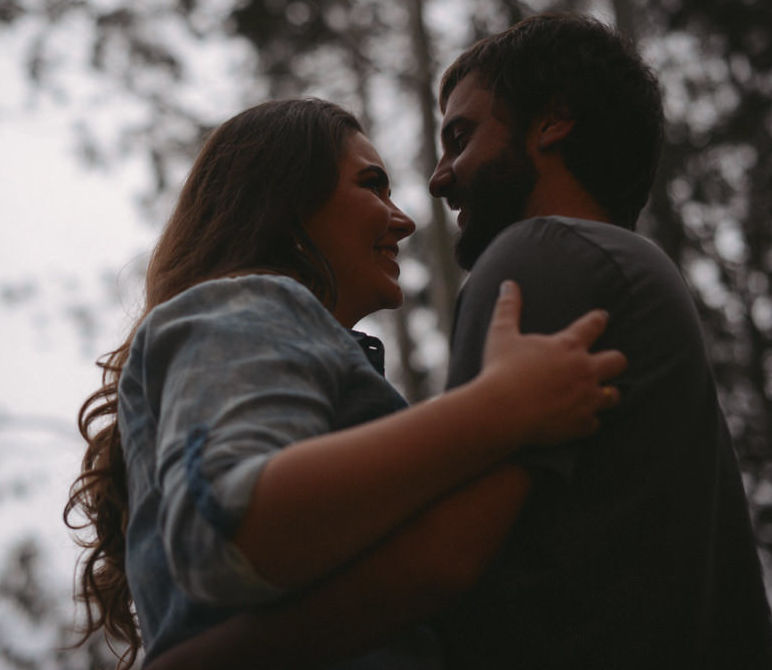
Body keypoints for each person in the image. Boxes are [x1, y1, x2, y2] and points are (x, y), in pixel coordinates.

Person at [144, 13, 772, 669]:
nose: (436, 183)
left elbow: (440, 566)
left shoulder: (543, 255)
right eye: (373, 183)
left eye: (460, 136)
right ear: (285, 202)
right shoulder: (628, 279)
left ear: (551, 122)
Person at [64, 96, 627, 668]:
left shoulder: (275, 342)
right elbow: (228, 526)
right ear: (286, 201)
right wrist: (500, 408)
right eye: (372, 185)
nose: (403, 219)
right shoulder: (247, 305)